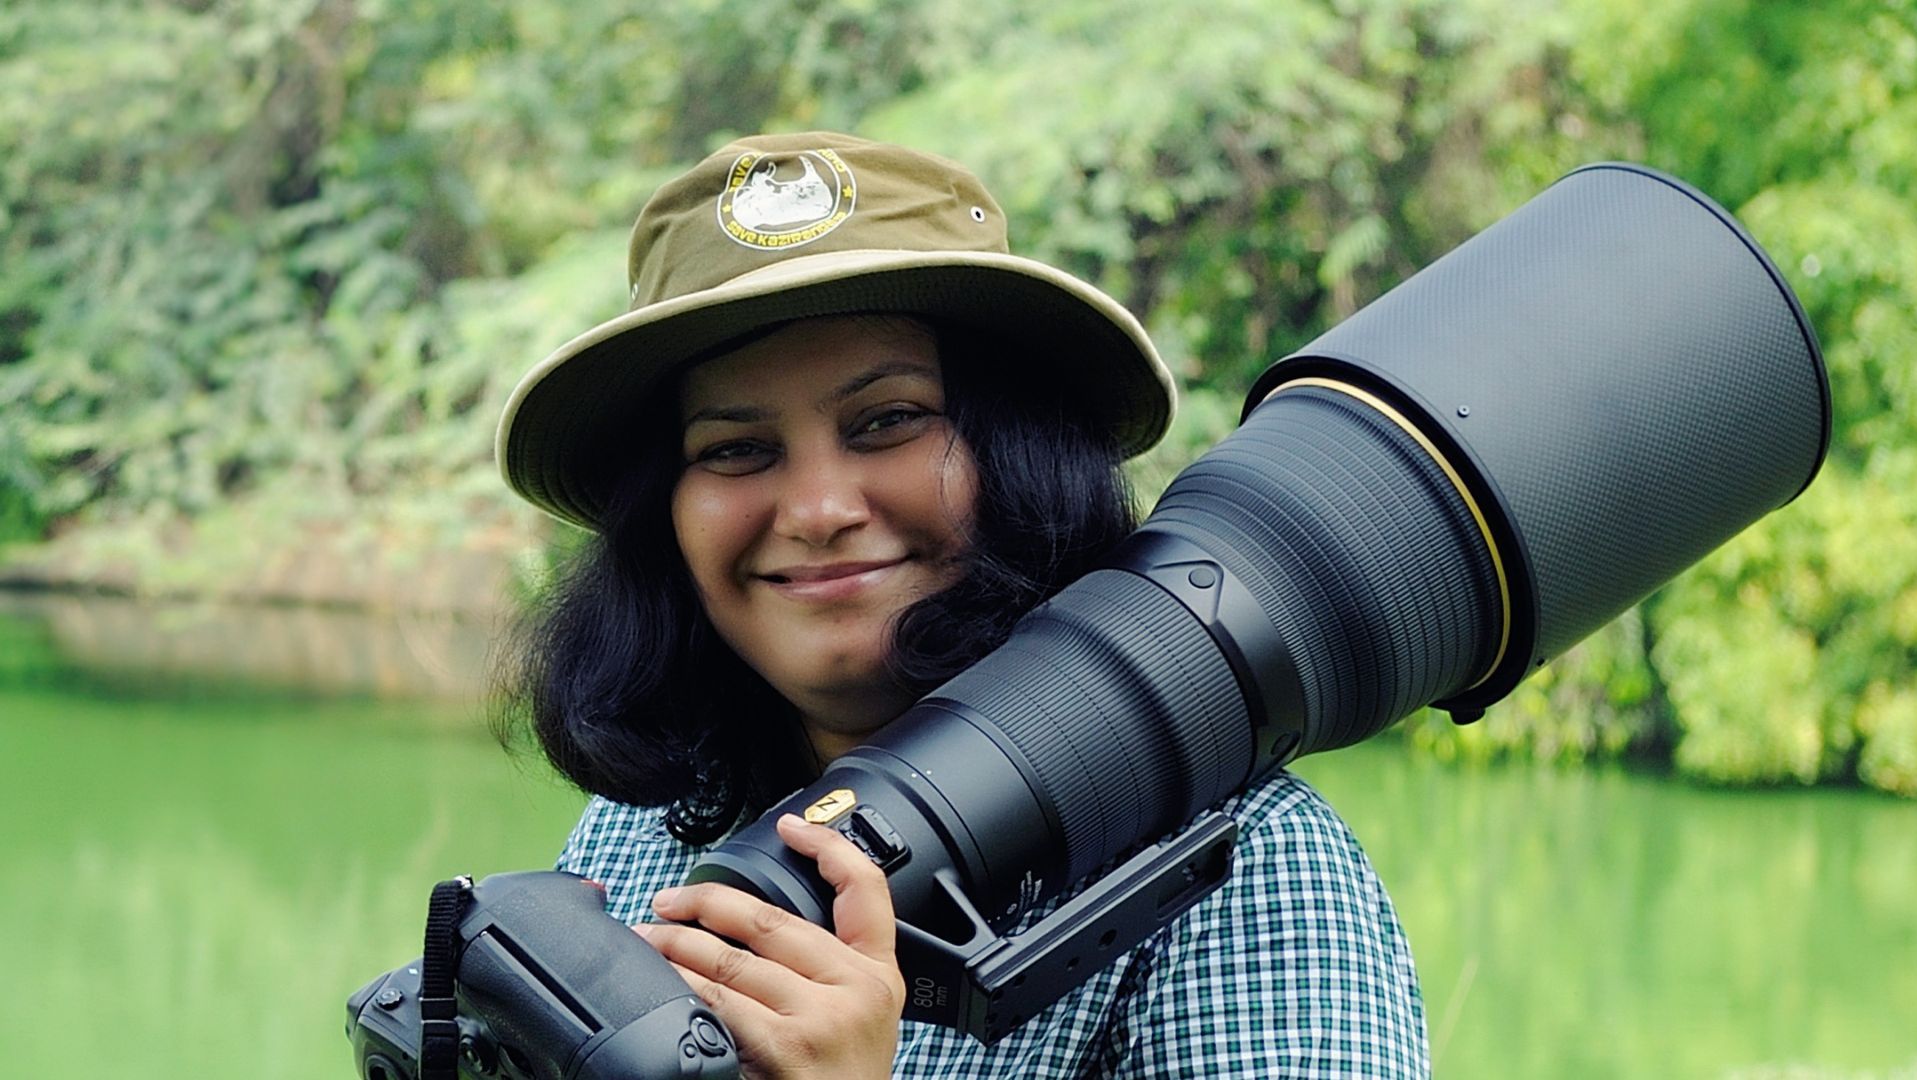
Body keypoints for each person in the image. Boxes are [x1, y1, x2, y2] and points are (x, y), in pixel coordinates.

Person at [495, 132, 1429, 1078]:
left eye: (889, 421)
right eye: (736, 449)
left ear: (1019, 456)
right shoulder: (647, 826)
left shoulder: (1243, 871)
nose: (819, 511)